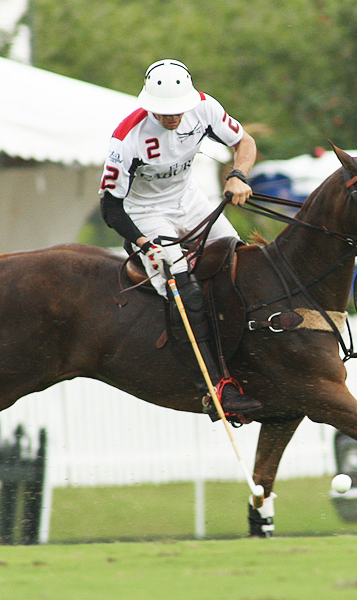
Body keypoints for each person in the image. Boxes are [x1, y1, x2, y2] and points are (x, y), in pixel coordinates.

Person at [99, 58, 262, 419]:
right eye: (163, 112)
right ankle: (214, 386)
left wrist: (239, 174)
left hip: (189, 200)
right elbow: (110, 209)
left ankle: (249, 354)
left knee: (238, 258)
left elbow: (244, 142)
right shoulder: (126, 139)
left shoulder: (204, 107)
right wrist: (143, 243)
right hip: (145, 213)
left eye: (177, 111)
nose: (172, 118)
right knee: (183, 287)